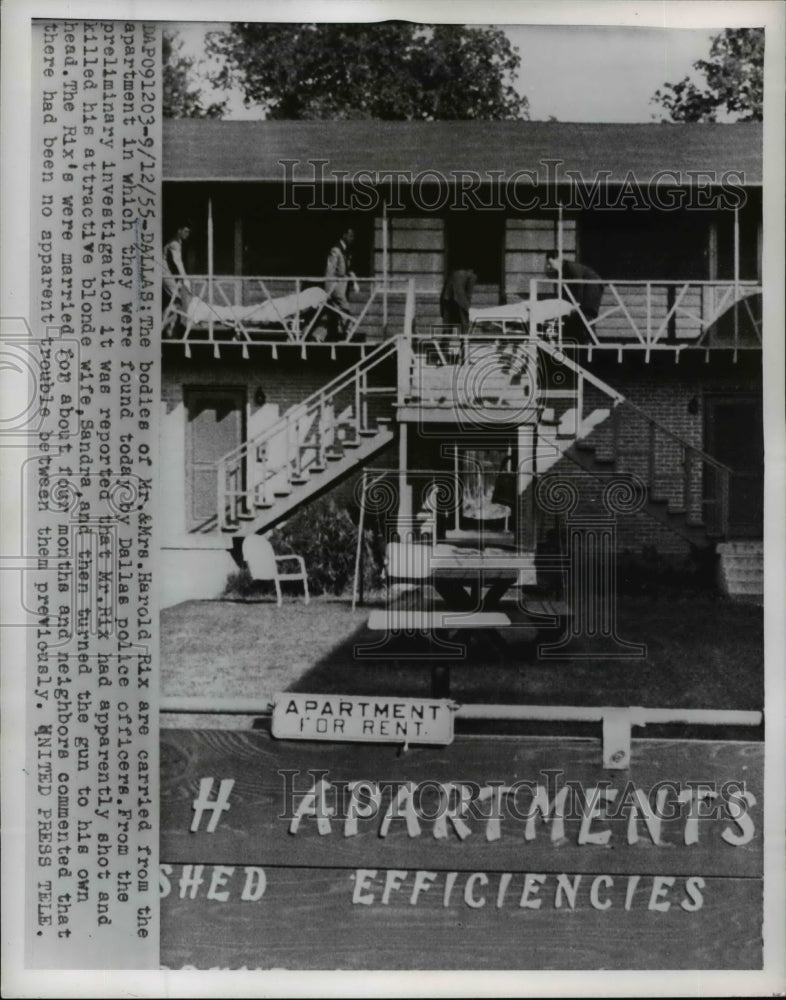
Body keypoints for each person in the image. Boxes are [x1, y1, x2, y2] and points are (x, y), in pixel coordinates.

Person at [546, 255, 603, 343]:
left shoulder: (571, 267)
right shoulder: (564, 270)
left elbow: (578, 283)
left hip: (592, 285)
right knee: (577, 316)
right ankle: (583, 340)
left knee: (587, 314)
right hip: (585, 288)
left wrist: (577, 302)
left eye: (550, 263)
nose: (549, 266)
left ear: (557, 260)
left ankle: (592, 341)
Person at [323, 226, 360, 341]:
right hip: (335, 288)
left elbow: (348, 269)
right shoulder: (336, 250)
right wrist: (329, 291)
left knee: (330, 314)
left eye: (353, 236)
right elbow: (330, 273)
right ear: (344, 235)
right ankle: (350, 333)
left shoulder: (347, 251)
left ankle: (317, 336)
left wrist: (355, 282)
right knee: (345, 309)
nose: (352, 238)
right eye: (350, 236)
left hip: (342, 287)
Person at [162, 222, 192, 338]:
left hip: (167, 272)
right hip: (163, 272)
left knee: (174, 301)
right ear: (179, 230)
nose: (187, 234)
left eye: (189, 232)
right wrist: (185, 279)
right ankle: (165, 327)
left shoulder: (177, 241)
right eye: (185, 231)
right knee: (177, 299)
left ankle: (169, 326)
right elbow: (178, 261)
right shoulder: (175, 243)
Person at [440, 265, 477, 335]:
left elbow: (445, 289)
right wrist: (468, 306)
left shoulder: (453, 273)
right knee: (464, 322)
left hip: (447, 298)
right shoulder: (472, 276)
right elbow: (469, 294)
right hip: (459, 299)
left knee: (447, 322)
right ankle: (464, 342)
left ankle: (445, 343)